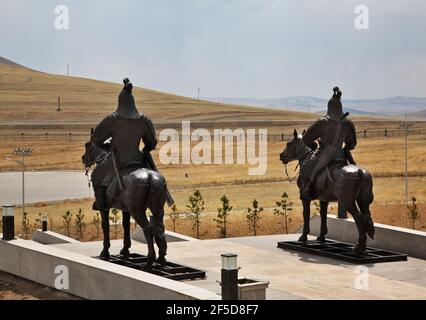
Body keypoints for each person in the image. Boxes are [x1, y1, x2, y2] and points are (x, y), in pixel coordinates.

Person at [90, 78, 157, 210]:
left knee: (96, 175)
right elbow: (152, 143)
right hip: (138, 160)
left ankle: (102, 204)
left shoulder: (112, 120)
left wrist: (107, 147)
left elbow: (95, 140)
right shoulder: (144, 120)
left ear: (120, 102)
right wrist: (145, 150)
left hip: (117, 160)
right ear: (133, 102)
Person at [300, 86, 357, 199]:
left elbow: (305, 140)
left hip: (323, 154)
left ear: (329, 107)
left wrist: (315, 145)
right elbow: (352, 144)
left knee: (306, 168)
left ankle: (308, 192)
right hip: (341, 156)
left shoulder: (323, 122)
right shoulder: (348, 123)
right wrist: (345, 149)